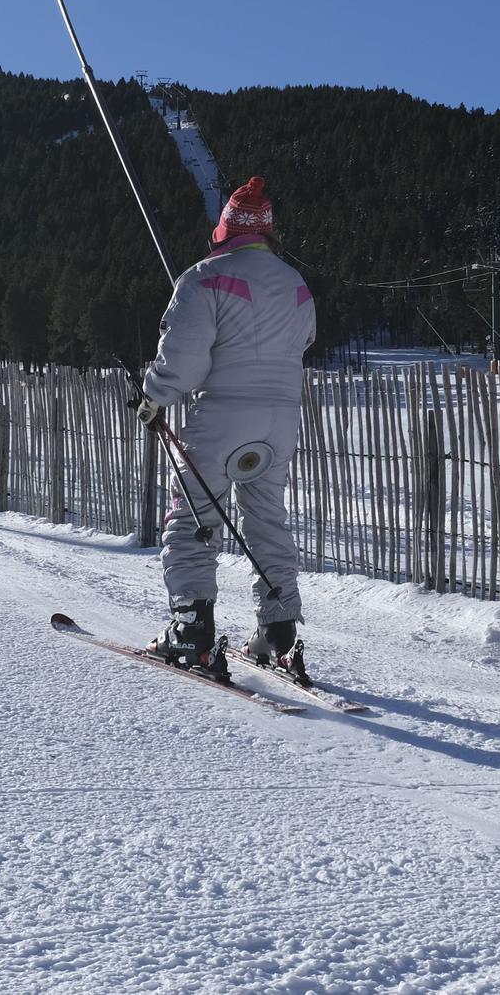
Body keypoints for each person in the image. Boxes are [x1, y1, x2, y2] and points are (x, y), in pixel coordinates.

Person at [136, 176, 316, 678]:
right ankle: (278, 631)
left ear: (225, 228)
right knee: (266, 519)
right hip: (279, 420)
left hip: (221, 417)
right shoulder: (297, 284)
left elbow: (184, 360)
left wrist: (153, 397)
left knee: (195, 515)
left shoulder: (203, 277)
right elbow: (303, 341)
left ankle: (192, 631)